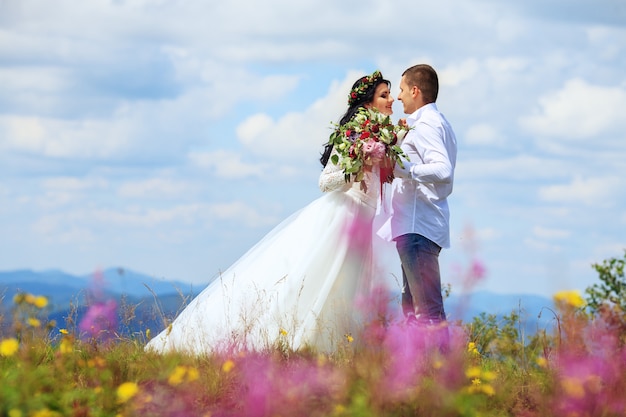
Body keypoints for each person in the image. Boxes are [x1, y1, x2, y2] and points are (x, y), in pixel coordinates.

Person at [145, 70, 400, 355]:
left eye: (390, 94)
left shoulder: (382, 136)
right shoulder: (352, 135)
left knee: (348, 287)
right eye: (384, 95)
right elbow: (326, 181)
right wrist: (356, 166)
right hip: (343, 217)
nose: (391, 100)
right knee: (317, 281)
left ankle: (336, 347)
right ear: (367, 104)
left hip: (363, 221)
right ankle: (287, 342)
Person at [380, 64, 457, 344]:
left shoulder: (425, 125)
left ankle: (441, 381)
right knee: (414, 312)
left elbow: (443, 170)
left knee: (428, 314)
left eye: (401, 90)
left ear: (415, 91)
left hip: (417, 227)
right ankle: (420, 377)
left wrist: (406, 170)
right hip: (419, 225)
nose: (398, 97)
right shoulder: (440, 123)